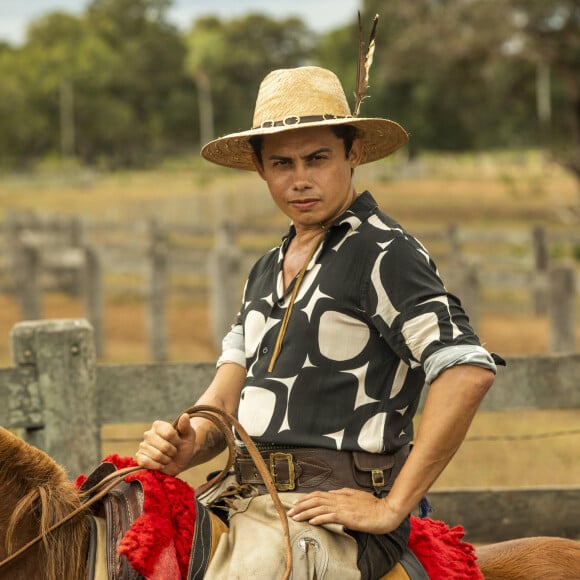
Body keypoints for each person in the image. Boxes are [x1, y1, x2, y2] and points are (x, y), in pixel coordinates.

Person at [136, 65, 500, 579]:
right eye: (282, 163)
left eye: (318, 158)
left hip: (333, 518)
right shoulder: (266, 269)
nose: (300, 179)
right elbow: (223, 402)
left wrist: (391, 507)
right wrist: (190, 441)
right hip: (244, 498)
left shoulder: (383, 252)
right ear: (260, 169)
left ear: (353, 154)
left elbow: (466, 369)